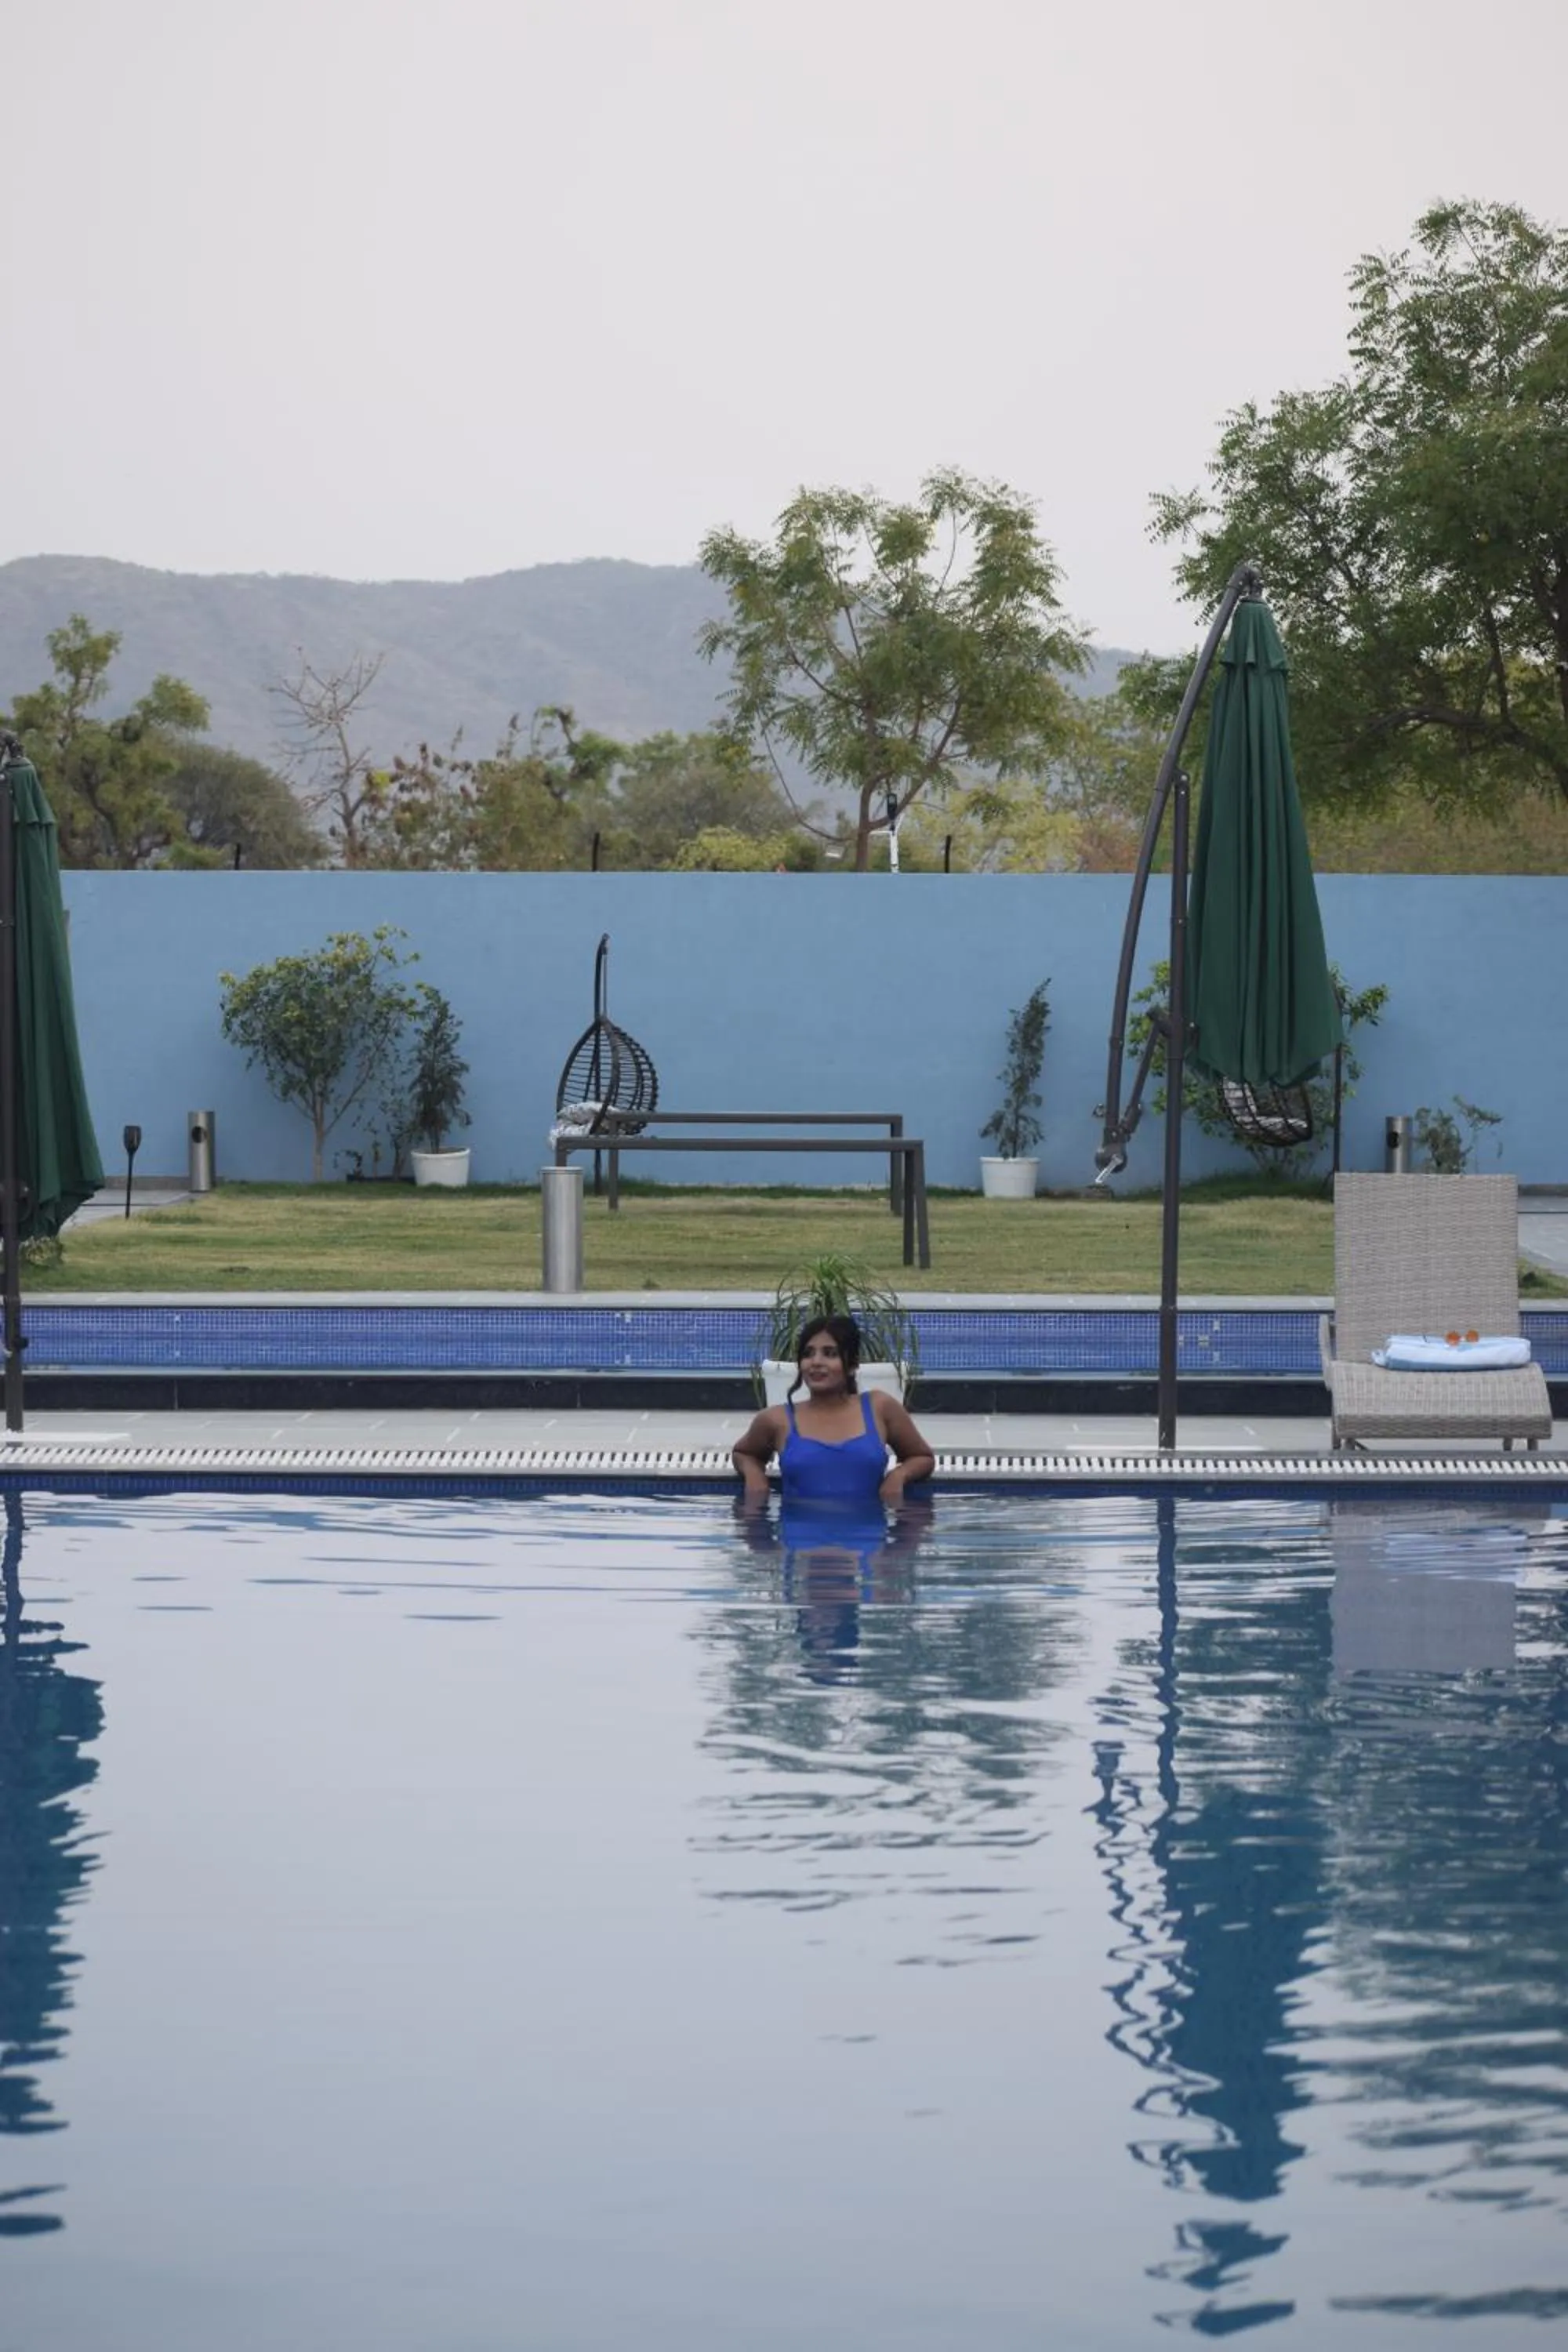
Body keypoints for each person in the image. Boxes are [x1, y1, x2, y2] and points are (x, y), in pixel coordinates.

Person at [731, 1312, 935, 1506]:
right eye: (808, 1354)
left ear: (852, 1365)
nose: (816, 1362)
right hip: (798, 1532)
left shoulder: (879, 1408)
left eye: (830, 1353)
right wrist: (754, 1474)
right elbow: (744, 1453)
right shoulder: (777, 1419)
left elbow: (922, 1457)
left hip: (866, 1530)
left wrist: (899, 1475)